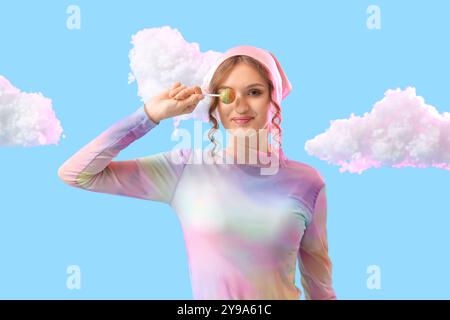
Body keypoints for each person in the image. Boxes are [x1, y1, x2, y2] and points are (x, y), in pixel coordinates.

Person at [57, 45, 337, 300]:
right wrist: (149, 116)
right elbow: (77, 174)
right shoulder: (184, 169)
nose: (240, 106)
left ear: (272, 99)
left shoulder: (308, 182)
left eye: (254, 92)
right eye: (228, 95)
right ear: (215, 104)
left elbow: (319, 284)